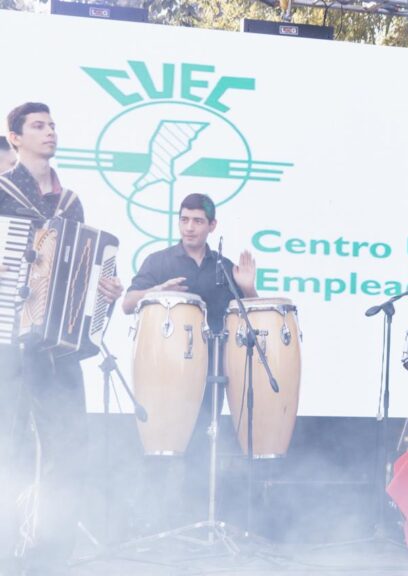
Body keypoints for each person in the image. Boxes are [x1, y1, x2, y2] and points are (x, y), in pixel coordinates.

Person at [0, 102, 123, 575]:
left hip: (58, 349)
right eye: (38, 126)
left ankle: (51, 556)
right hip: (10, 342)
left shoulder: (71, 203)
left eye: (52, 125)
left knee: (70, 448)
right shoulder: (4, 192)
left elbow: (83, 273)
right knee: (8, 449)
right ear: (15, 137)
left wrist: (105, 290)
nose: (49, 131)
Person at [122, 193, 258, 524]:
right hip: (164, 369)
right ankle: (154, 523)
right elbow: (127, 303)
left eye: (197, 221)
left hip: (211, 368)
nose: (189, 227)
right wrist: (155, 291)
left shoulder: (224, 267)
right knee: (162, 442)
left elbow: (250, 315)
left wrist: (248, 289)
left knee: (202, 444)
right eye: (184, 220)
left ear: (212, 225)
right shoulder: (159, 261)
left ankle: (195, 522)